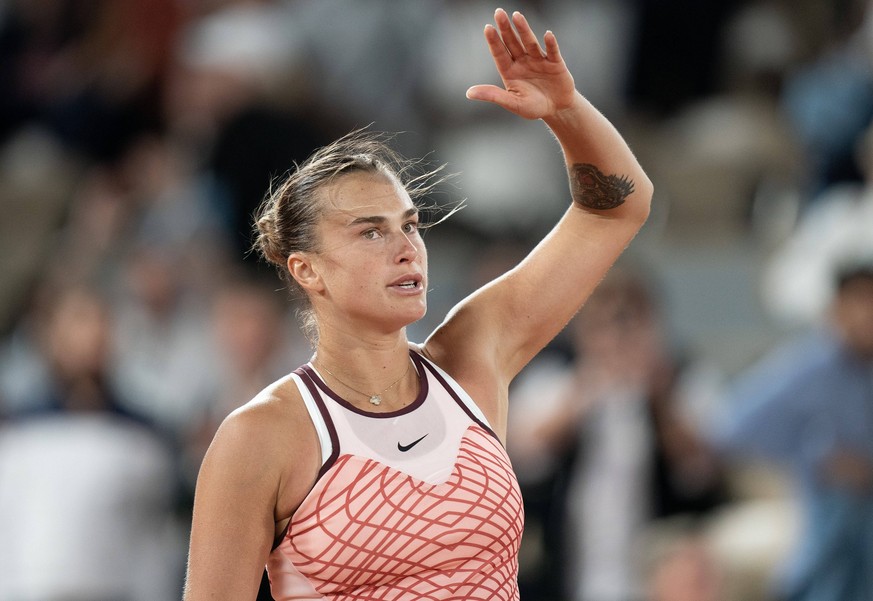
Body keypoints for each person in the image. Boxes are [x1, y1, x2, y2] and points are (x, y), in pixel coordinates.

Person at [183, 8, 652, 601]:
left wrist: (565, 111)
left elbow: (618, 207)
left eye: (410, 226)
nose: (407, 249)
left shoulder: (472, 355)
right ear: (307, 270)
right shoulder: (261, 436)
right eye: (370, 231)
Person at [712, 259, 873, 601]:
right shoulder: (810, 367)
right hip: (831, 522)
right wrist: (814, 455)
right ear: (837, 310)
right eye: (859, 303)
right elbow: (731, 426)